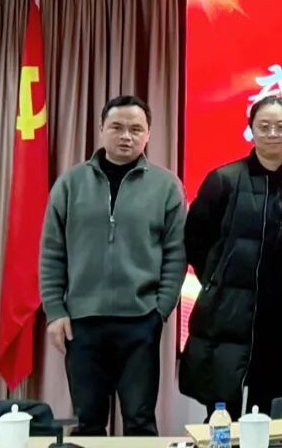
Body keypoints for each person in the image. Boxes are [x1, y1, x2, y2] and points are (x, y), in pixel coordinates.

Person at [39, 95, 186, 436]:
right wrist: (55, 311)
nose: (126, 136)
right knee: (88, 422)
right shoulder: (70, 183)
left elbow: (176, 254)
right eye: (117, 127)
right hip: (82, 322)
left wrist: (160, 310)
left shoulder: (166, 186)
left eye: (136, 129)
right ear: (102, 129)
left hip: (140, 321)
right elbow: (52, 251)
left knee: (140, 421)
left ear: (148, 134)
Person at [180, 96, 282, 419]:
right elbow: (195, 239)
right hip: (230, 312)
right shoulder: (224, 180)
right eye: (264, 126)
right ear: (251, 130)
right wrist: (217, 278)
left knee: (274, 416)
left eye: (281, 126)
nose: (273, 133)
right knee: (222, 413)